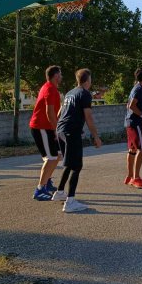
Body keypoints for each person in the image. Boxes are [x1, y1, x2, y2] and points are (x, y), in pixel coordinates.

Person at [51, 68, 102, 212]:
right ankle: (70, 202)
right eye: (90, 79)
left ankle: (60, 192)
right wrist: (96, 137)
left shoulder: (70, 93)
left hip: (61, 130)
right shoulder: (85, 94)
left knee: (69, 163)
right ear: (88, 80)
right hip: (71, 132)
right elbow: (88, 117)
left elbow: (60, 113)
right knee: (77, 166)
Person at [29, 65, 63, 201]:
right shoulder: (50, 89)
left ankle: (47, 181)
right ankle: (39, 190)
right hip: (41, 127)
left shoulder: (50, 87)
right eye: (60, 74)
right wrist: (56, 130)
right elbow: (49, 112)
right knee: (51, 158)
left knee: (57, 155)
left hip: (47, 127)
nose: (61, 76)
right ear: (56, 76)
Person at [124, 68, 142, 189]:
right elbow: (131, 105)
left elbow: (128, 105)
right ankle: (136, 178)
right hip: (135, 123)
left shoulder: (135, 88)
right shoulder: (140, 89)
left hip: (129, 122)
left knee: (132, 149)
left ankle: (130, 177)